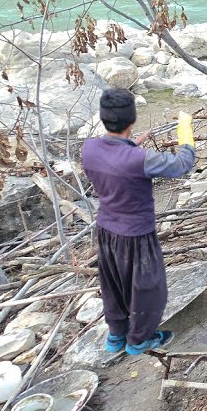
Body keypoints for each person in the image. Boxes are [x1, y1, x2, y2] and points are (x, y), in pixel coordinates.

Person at [81, 88, 195, 355]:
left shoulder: (89, 149)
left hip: (107, 231)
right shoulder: (139, 160)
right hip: (136, 235)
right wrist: (186, 135)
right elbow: (182, 164)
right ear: (132, 121)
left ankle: (116, 335)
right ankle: (140, 339)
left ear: (103, 118)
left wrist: (131, 146)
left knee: (113, 285)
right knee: (148, 288)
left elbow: (115, 159)